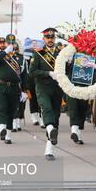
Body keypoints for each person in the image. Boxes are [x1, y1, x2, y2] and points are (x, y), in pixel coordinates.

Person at [29, 28, 64, 160]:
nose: (50, 39)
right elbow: (32, 71)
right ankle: (50, 130)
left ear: (55, 39)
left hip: (57, 88)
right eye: (47, 37)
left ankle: (49, 150)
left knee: (55, 116)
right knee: (47, 108)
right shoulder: (38, 53)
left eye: (52, 37)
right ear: (43, 39)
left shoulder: (61, 53)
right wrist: (48, 73)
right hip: (43, 87)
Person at [0, 36, 23, 144]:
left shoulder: (18, 57)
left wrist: (24, 90)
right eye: (4, 43)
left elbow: (24, 75)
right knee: (2, 108)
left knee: (11, 111)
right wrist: (5, 51)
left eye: (9, 43)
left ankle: (8, 135)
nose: (6, 44)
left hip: (14, 87)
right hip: (1, 86)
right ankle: (2, 129)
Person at [10, 40, 28, 132]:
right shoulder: (5, 57)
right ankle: (13, 123)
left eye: (15, 49)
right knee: (12, 104)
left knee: (21, 105)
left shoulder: (22, 58)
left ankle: (19, 121)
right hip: (10, 85)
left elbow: (25, 75)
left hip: (20, 84)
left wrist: (25, 89)